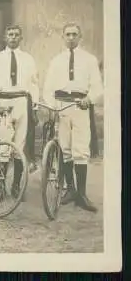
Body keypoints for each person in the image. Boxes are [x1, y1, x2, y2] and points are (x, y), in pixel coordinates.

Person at [43, 22, 102, 213]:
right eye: (67, 34)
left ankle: (82, 195)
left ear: (80, 36)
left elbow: (97, 86)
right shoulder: (56, 61)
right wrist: (52, 106)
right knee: (65, 148)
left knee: (81, 149)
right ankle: (70, 189)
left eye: (74, 34)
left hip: (80, 106)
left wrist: (89, 99)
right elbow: (48, 87)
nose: (70, 38)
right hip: (62, 106)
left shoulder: (90, 60)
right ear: (63, 36)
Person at [0, 25, 40, 204]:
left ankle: (16, 185)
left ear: (21, 37)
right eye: (10, 34)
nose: (13, 38)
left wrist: (35, 105)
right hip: (4, 102)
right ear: (5, 37)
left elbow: (34, 84)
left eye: (16, 35)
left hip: (22, 102)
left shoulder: (28, 59)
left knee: (20, 145)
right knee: (3, 145)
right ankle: (0, 188)